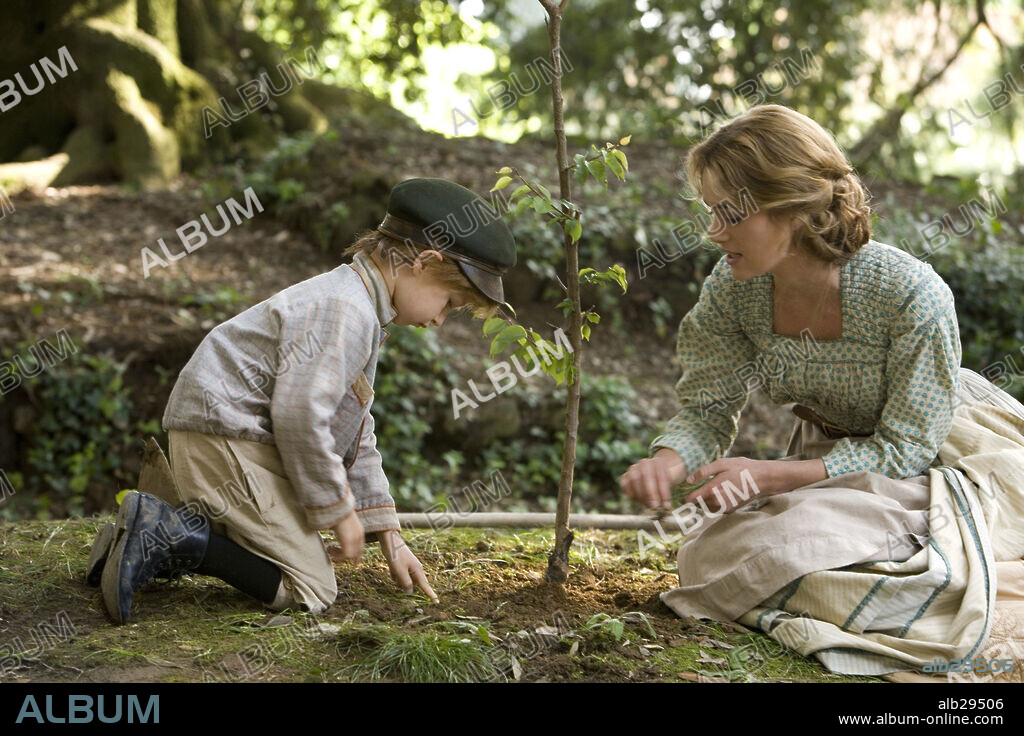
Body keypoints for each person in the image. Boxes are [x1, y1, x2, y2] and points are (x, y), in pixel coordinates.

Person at [619, 104, 1024, 676]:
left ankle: (925, 575)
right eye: (710, 213)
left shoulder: (910, 294)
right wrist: (669, 457)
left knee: (780, 555)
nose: (714, 233)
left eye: (731, 213)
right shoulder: (733, 290)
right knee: (708, 554)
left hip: (932, 461)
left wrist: (766, 477)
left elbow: (904, 448)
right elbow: (709, 406)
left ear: (796, 207)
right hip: (824, 459)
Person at [86, 177, 517, 624]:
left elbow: (355, 430)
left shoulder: (357, 303)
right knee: (312, 585)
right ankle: (164, 533)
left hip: (229, 436)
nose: (441, 320)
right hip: (224, 438)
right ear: (425, 262)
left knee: (288, 548)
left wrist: (389, 534)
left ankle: (142, 534)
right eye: (448, 302)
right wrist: (337, 510)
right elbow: (299, 415)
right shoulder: (345, 310)